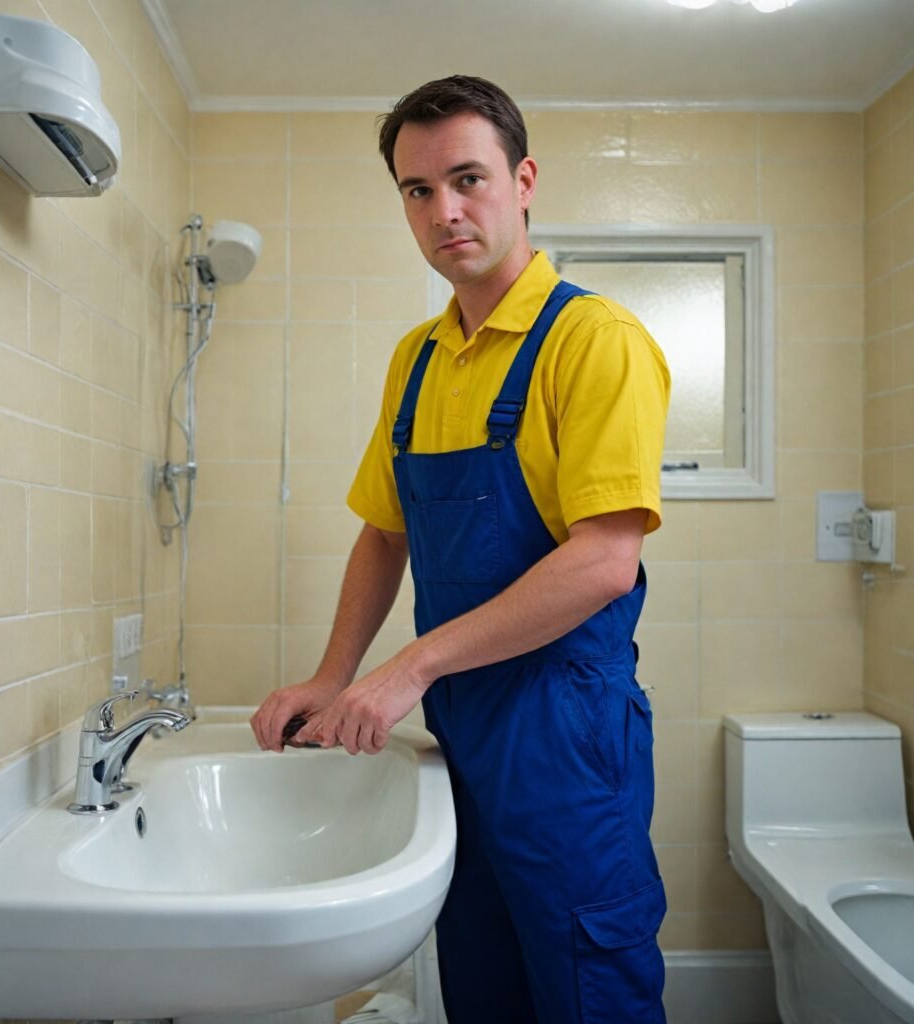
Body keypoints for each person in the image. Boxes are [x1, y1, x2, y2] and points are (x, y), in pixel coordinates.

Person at [251, 75, 671, 1023]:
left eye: (468, 179)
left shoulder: (594, 340)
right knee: (481, 976)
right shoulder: (418, 357)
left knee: (585, 980)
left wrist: (407, 668)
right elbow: (385, 527)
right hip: (460, 732)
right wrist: (334, 673)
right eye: (417, 190)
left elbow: (606, 559)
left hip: (564, 729)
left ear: (523, 181)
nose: (446, 211)